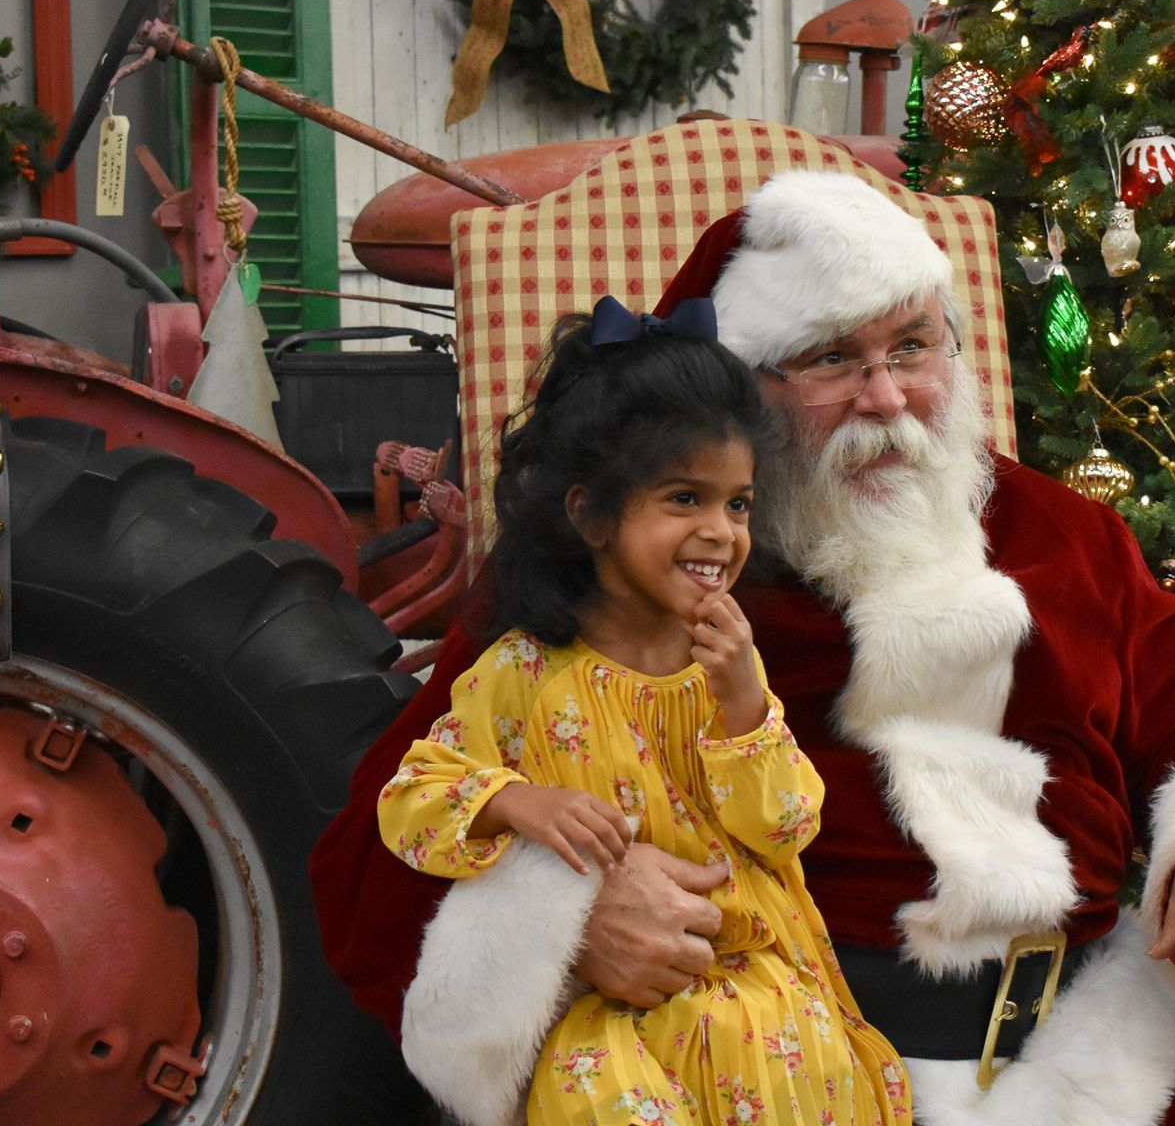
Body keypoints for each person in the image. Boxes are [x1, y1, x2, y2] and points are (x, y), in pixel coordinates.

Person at [312, 170, 1175, 1126]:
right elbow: (373, 846)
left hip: (1102, 1054)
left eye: (913, 346)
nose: (888, 398)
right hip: (762, 1069)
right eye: (832, 358)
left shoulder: (1057, 534)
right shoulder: (609, 582)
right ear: (739, 395)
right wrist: (562, 915)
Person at [377, 296, 912, 1125]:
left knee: (797, 1072)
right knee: (595, 1097)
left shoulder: (726, 666)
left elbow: (788, 827)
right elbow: (410, 801)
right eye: (684, 499)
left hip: (758, 984)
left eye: (737, 504)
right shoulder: (522, 674)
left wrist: (744, 709)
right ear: (588, 512)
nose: (721, 532)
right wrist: (514, 802)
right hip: (616, 1012)